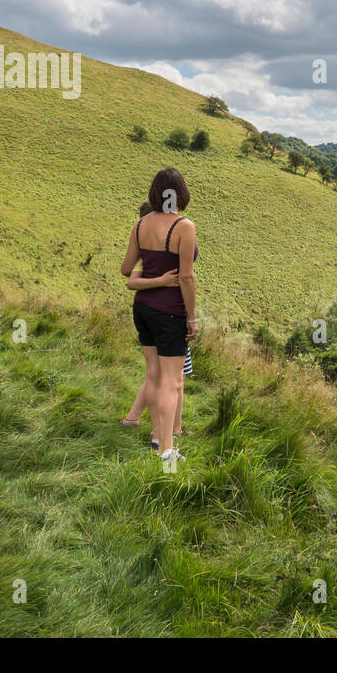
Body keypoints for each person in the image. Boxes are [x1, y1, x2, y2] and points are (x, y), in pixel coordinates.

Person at [120, 168, 198, 463]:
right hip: (169, 311)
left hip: (142, 308)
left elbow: (127, 270)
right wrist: (191, 317)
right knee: (172, 382)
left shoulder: (141, 225)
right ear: (182, 193)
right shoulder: (183, 226)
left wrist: (152, 279)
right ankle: (167, 453)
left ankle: (157, 439)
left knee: (153, 375)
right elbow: (187, 279)